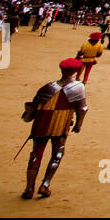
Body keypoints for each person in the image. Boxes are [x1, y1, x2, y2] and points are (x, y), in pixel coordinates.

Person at [21, 58, 88, 199]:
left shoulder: (48, 87)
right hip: (61, 125)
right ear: (75, 71)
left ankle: (29, 188)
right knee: (57, 154)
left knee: (36, 154)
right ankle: (45, 184)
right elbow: (82, 109)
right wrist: (78, 124)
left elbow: (32, 107)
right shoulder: (78, 87)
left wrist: (28, 116)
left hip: (41, 126)